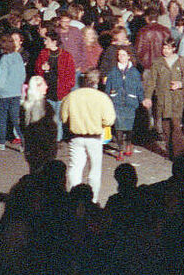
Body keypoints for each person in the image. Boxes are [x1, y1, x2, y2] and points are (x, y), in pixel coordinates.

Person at [58, 69, 116, 203]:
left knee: (75, 168)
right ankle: (93, 200)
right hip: (95, 137)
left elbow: (63, 117)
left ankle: (74, 198)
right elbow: (109, 120)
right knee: (94, 169)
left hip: (76, 136)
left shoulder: (72, 96)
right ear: (97, 81)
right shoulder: (102, 97)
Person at [144, 40, 184, 158]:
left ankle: (179, 154)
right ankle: (170, 152)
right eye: (164, 48)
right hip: (162, 99)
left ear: (174, 49)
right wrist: (148, 97)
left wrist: (180, 84)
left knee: (176, 125)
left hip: (176, 99)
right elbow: (151, 81)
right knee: (166, 126)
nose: (165, 51)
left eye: (168, 48)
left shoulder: (181, 61)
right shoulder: (158, 63)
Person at [0, 33, 27, 150]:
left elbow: (1, 79)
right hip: (16, 92)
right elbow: (22, 75)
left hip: (4, 94)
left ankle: (1, 142)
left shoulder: (4, 59)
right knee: (16, 119)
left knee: (2, 118)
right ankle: (23, 143)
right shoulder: (18, 56)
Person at [105, 48, 145, 159]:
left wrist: (142, 100)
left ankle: (128, 144)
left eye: (123, 55)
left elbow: (139, 88)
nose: (121, 57)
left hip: (130, 103)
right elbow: (108, 88)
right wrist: (107, 100)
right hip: (117, 102)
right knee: (118, 128)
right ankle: (120, 149)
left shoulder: (134, 72)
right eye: (119, 55)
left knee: (129, 128)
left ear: (128, 57)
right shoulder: (113, 72)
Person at [21, 76, 56, 173]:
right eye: (44, 85)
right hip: (44, 147)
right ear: (37, 87)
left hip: (30, 146)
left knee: (34, 172)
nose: (47, 87)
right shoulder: (45, 106)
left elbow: (23, 126)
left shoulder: (26, 105)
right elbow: (51, 127)